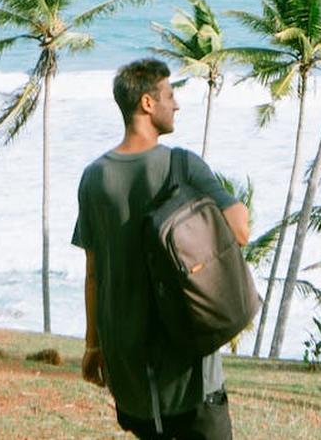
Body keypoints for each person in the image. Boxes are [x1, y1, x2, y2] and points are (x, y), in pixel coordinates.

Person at [73, 57, 250, 440]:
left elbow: (94, 273)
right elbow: (240, 228)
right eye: (170, 94)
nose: (177, 104)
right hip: (186, 363)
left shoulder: (93, 177)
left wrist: (93, 346)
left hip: (128, 364)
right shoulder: (181, 166)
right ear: (147, 104)